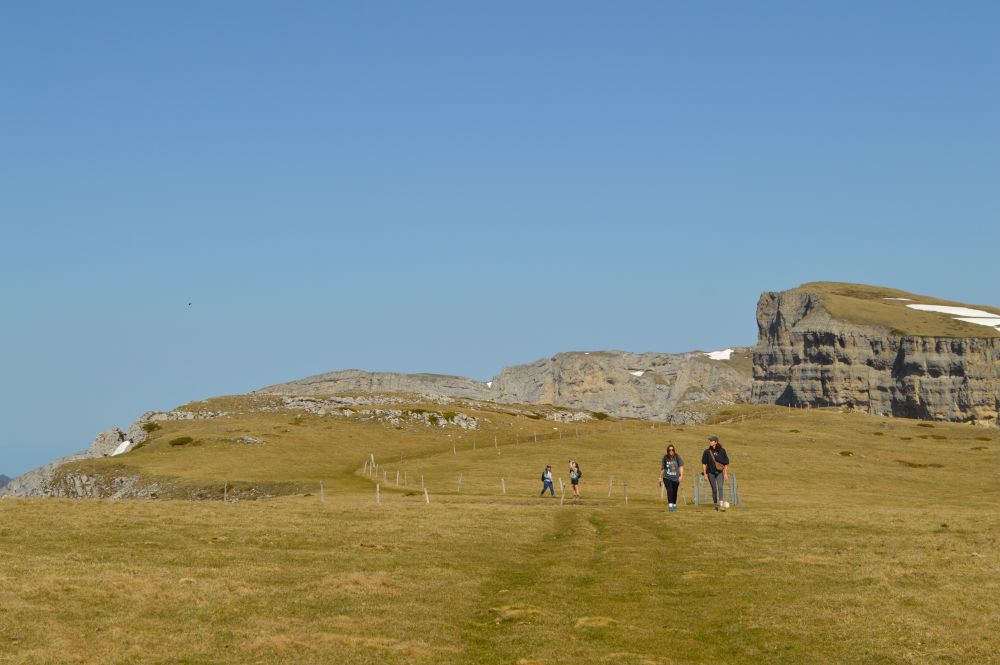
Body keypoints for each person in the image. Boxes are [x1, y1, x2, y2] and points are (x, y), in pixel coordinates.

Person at [701, 435, 730, 510]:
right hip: (710, 473)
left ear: (716, 442)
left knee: (720, 487)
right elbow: (704, 463)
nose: (710, 442)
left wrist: (726, 473)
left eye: (711, 441)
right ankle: (715, 505)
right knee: (714, 489)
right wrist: (705, 474)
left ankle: (721, 504)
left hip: (720, 473)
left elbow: (726, 463)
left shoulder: (722, 451)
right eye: (710, 440)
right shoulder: (707, 451)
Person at [659, 444, 684, 512]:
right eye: (669, 450)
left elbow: (681, 466)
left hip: (676, 478)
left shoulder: (677, 456)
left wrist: (681, 475)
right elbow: (663, 468)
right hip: (667, 477)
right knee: (670, 491)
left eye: (672, 450)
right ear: (667, 451)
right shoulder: (665, 457)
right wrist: (660, 478)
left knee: (674, 492)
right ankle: (670, 506)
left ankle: (674, 505)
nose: (671, 451)